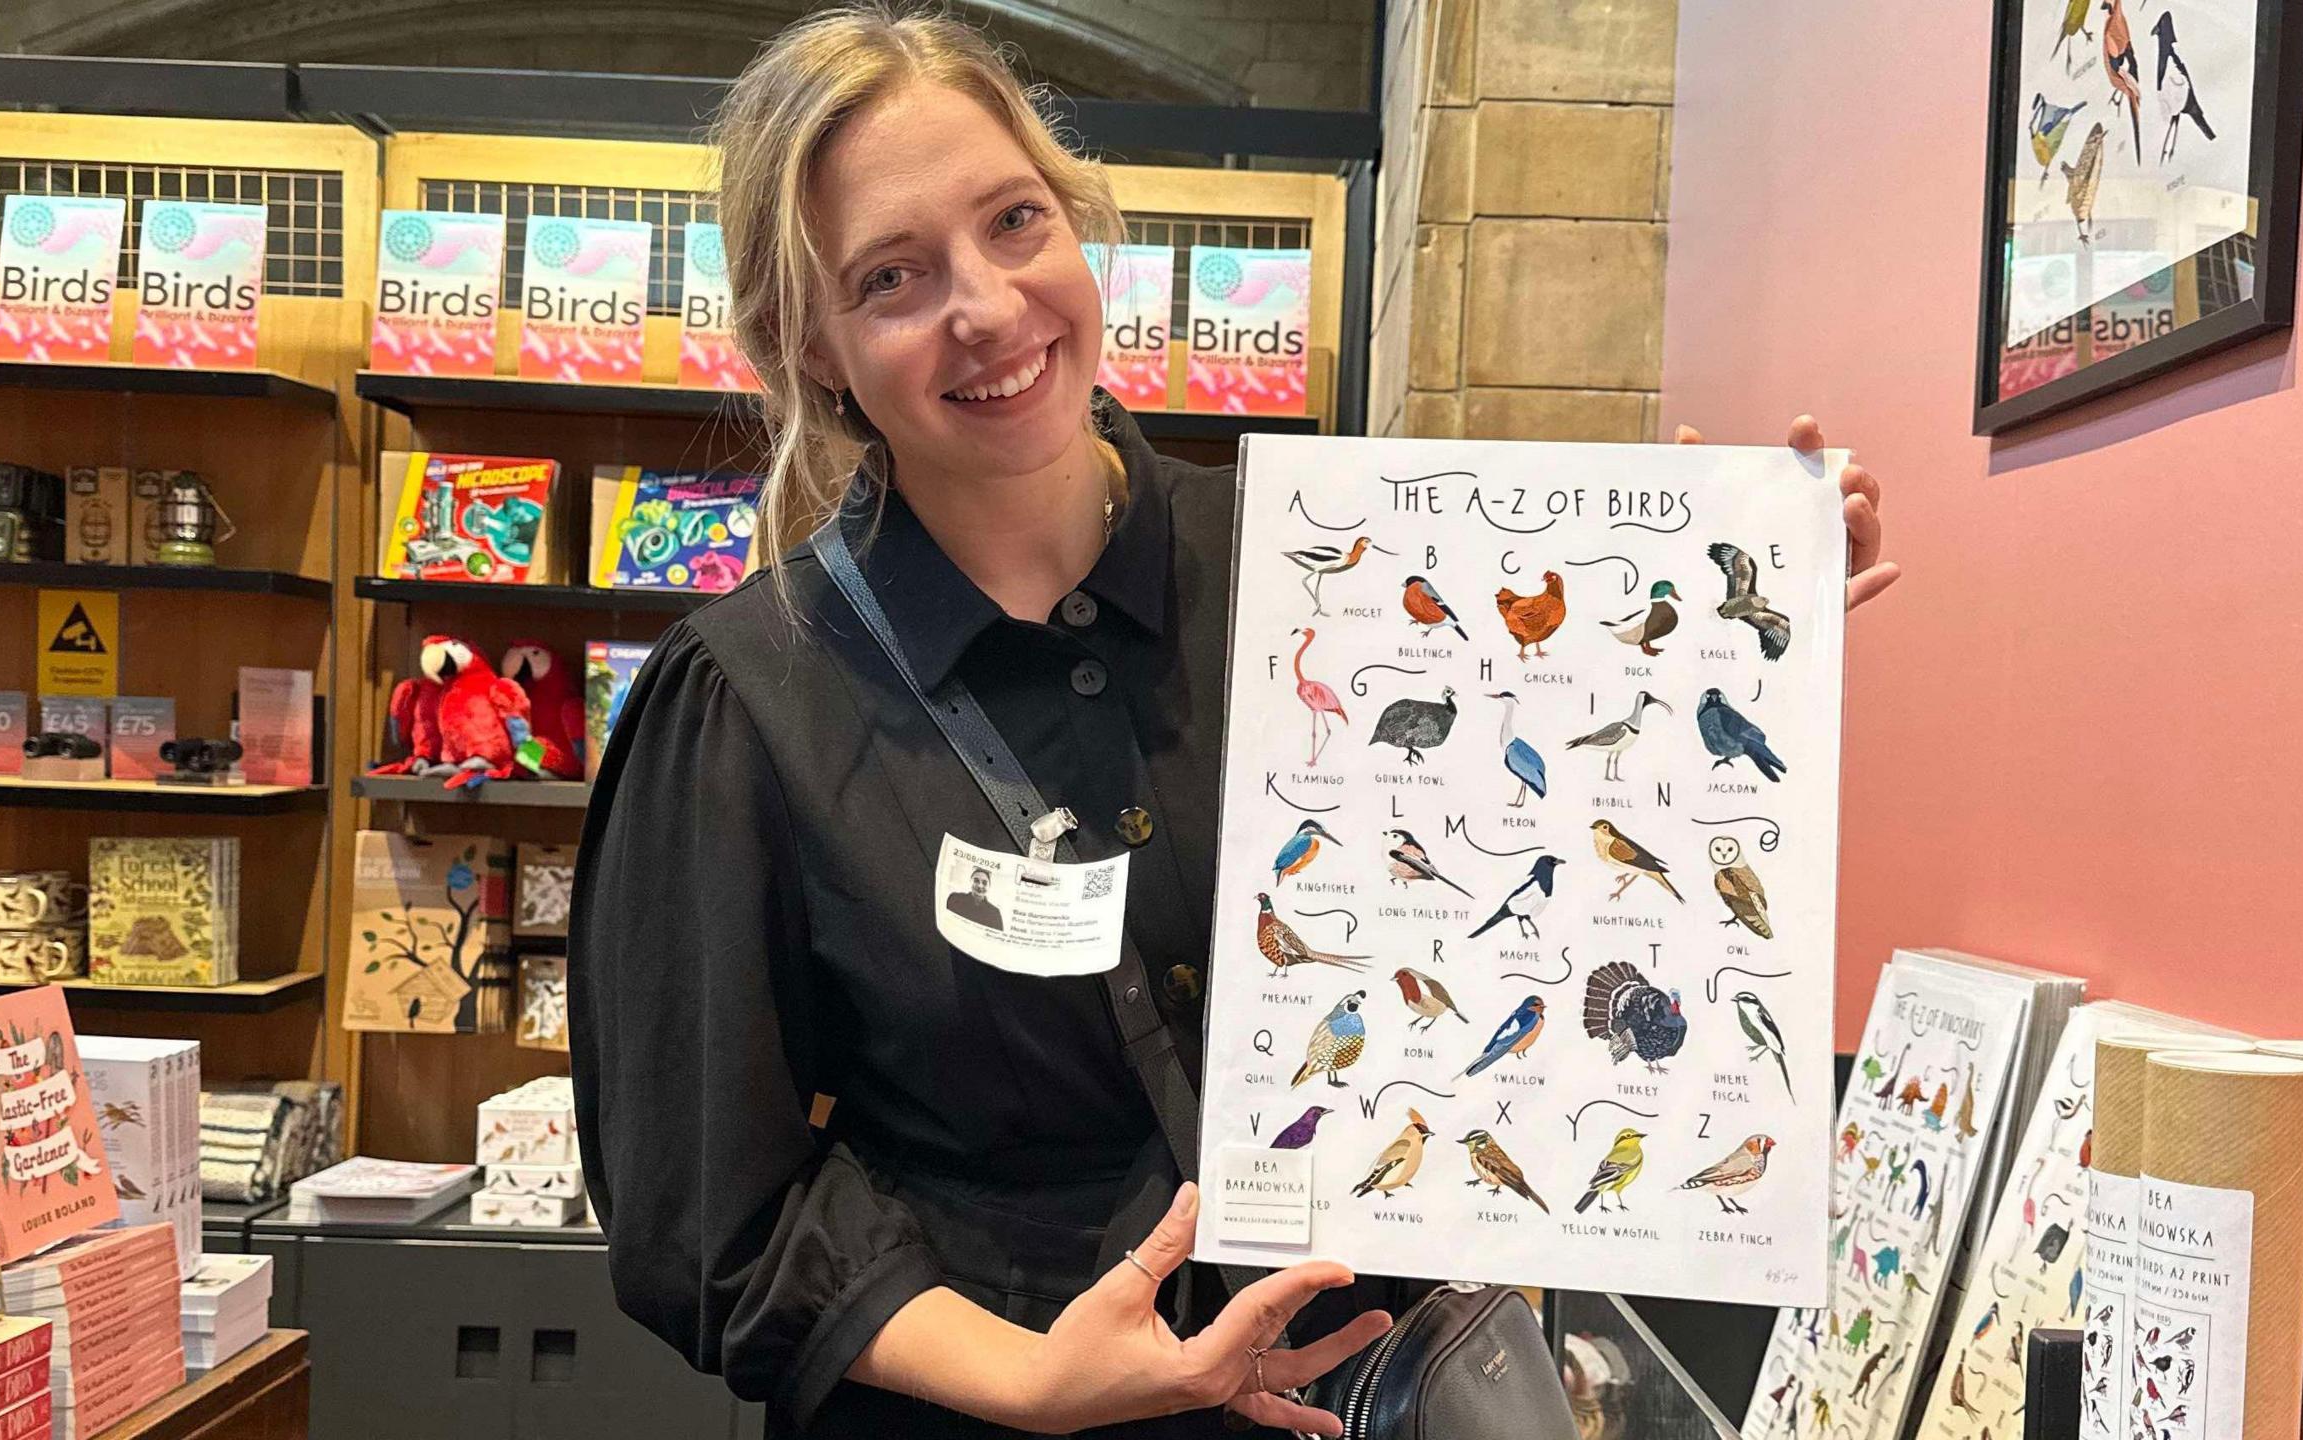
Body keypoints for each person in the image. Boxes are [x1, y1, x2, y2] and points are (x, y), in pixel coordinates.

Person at [567, 8, 1899, 1439]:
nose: (989, 309)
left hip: (1374, 1390)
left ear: (1076, 223)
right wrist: (1028, 1378)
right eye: (892, 277)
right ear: (808, 344)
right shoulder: (759, 693)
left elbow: (1514, 896)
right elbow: (708, 1206)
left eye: (1015, 222)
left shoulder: (1347, 565)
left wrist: (1687, 646)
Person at [947, 866, 1005, 931]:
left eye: (984, 883)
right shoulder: (955, 898)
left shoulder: (995, 913)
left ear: (989, 886)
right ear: (970, 881)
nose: (980, 886)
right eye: (976, 881)